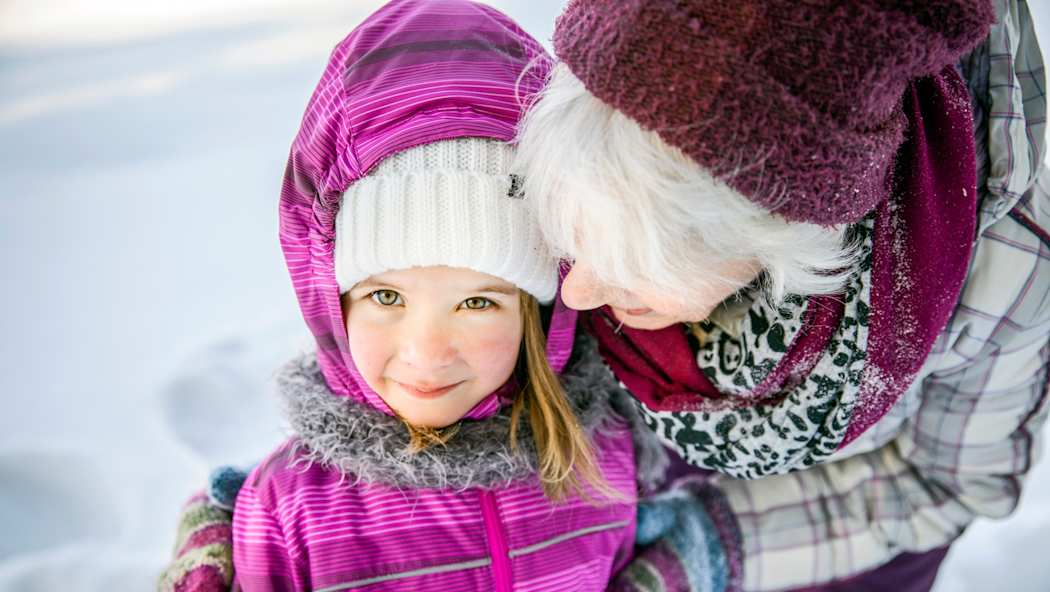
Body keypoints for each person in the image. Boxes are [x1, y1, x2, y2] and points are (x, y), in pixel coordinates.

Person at [513, 1, 1049, 591]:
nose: (579, 291)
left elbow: (947, 482)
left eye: (637, 264)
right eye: (576, 240)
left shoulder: (1003, 270)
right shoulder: (593, 148)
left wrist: (706, 549)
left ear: (783, 230)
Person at [157, 1, 655, 590]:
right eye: (388, 297)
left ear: (540, 311)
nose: (426, 351)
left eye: (477, 303)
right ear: (334, 302)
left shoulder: (604, 456)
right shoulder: (291, 513)